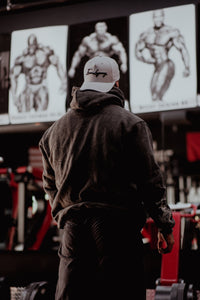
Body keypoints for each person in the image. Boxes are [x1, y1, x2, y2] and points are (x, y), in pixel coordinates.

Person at [39, 56, 175, 300]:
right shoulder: (131, 125)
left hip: (73, 230)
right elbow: (150, 182)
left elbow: (50, 184)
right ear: (117, 85)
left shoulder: (53, 132)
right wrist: (164, 224)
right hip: (117, 229)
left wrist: (64, 214)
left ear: (84, 84)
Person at [135, 9, 190, 101]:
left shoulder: (170, 32)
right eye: (156, 17)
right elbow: (137, 51)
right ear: (153, 18)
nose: (158, 19)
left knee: (157, 93)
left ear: (163, 17)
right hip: (157, 67)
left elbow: (182, 49)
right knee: (153, 94)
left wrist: (187, 67)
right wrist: (146, 59)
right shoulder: (146, 34)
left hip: (167, 64)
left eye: (160, 16)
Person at [10, 33, 67, 113]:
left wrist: (64, 81)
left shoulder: (45, 53)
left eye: (33, 45)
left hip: (41, 86)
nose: (32, 47)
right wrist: (13, 96)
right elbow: (13, 76)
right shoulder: (23, 58)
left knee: (41, 113)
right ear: (28, 45)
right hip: (28, 88)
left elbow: (58, 63)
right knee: (24, 113)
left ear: (36, 44)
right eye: (30, 45)